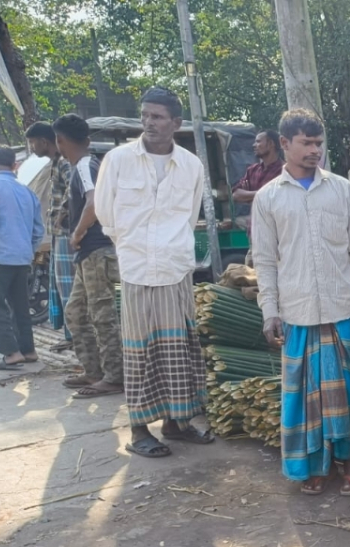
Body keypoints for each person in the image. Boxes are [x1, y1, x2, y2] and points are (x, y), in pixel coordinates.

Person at [251, 109, 350, 496]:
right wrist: (269, 311)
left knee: (344, 392)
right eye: (306, 143)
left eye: (319, 143)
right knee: (302, 398)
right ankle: (315, 467)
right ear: (284, 144)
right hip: (296, 311)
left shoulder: (340, 189)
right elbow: (266, 261)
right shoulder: (268, 198)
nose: (314, 150)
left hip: (339, 308)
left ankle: (349, 461)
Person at [94, 87, 215, 457]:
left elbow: (191, 215)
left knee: (179, 348)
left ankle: (176, 423)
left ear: (176, 123)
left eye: (158, 117)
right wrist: (135, 246)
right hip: (137, 271)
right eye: (145, 115)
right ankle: (138, 429)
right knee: (140, 351)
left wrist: (168, 247)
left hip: (176, 270)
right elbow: (106, 215)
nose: (149, 122)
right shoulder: (118, 160)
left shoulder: (191, 165)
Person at [54, 114, 123, 398]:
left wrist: (77, 233)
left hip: (96, 250)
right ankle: (93, 370)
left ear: (60, 141)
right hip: (90, 254)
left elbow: (93, 203)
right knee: (76, 311)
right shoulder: (91, 164)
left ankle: (115, 375)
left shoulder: (84, 165)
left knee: (101, 314)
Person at [0, 144, 44, 369]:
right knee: (20, 305)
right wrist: (29, 251)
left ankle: (11, 353)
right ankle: (28, 350)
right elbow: (38, 230)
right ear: (15, 164)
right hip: (22, 257)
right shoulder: (26, 190)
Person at [24, 122, 75, 350]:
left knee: (69, 288)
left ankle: (75, 337)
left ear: (44, 141)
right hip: (58, 234)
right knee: (62, 288)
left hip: (66, 234)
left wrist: (61, 216)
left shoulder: (64, 163)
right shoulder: (54, 164)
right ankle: (70, 334)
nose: (33, 148)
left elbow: (73, 192)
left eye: (33, 143)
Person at [230, 129, 282, 205]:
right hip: (255, 216)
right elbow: (235, 194)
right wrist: (264, 193)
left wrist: (248, 195)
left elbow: (279, 196)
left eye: (258, 142)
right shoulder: (252, 170)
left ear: (271, 143)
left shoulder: (284, 170)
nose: (254, 145)